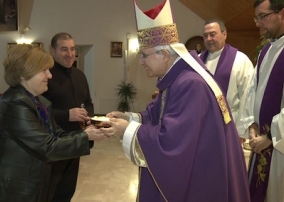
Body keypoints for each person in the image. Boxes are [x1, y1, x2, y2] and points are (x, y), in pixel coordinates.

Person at [101, 0, 250, 201]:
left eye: (144, 56)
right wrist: (129, 117)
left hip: (200, 178)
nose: (142, 62)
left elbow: (172, 143)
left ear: (164, 54)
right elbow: (158, 114)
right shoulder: (176, 78)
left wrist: (126, 129)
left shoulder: (190, 84)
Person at [0, 44, 108, 202]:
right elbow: (47, 146)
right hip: (9, 191)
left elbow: (56, 133)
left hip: (28, 185)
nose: (50, 75)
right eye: (43, 70)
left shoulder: (37, 101)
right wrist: (85, 137)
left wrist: (89, 133)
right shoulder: (14, 105)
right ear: (24, 74)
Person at [242, 0, 284, 201]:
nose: (258, 23)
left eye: (263, 16)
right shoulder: (265, 51)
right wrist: (252, 123)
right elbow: (253, 90)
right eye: (256, 18)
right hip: (260, 143)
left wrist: (270, 137)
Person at [42, 32, 94, 201]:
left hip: (75, 141)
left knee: (67, 191)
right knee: (49, 192)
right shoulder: (45, 76)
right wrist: (67, 115)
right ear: (52, 50)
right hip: (53, 145)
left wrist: (88, 118)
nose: (70, 54)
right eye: (64, 49)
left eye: (72, 49)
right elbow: (38, 112)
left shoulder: (80, 75)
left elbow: (89, 103)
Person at [200, 19, 254, 139]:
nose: (209, 39)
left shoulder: (240, 60)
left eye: (212, 34)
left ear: (224, 34)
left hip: (230, 125)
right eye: (205, 36)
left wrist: (241, 130)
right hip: (201, 126)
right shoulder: (197, 61)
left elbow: (247, 96)